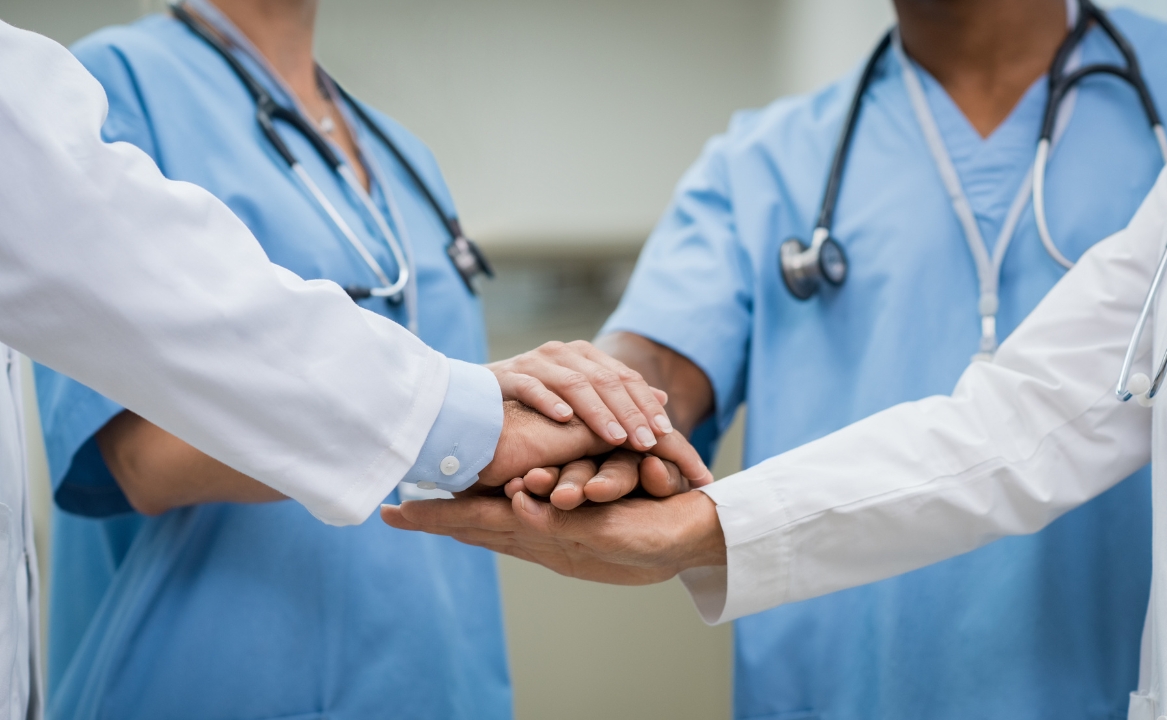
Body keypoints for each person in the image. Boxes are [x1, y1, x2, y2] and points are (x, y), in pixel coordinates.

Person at [401, 1, 1167, 719]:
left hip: (1105, 678)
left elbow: (1039, 417)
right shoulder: (766, 161)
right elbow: (660, 358)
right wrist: (591, 404)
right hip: (838, 687)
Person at [0, 16, 691, 720]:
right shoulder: (112, 86)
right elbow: (141, 457)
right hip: (216, 677)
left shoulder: (401, 153)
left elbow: (469, 424)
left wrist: (554, 436)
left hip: (438, 675)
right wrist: (465, 431)